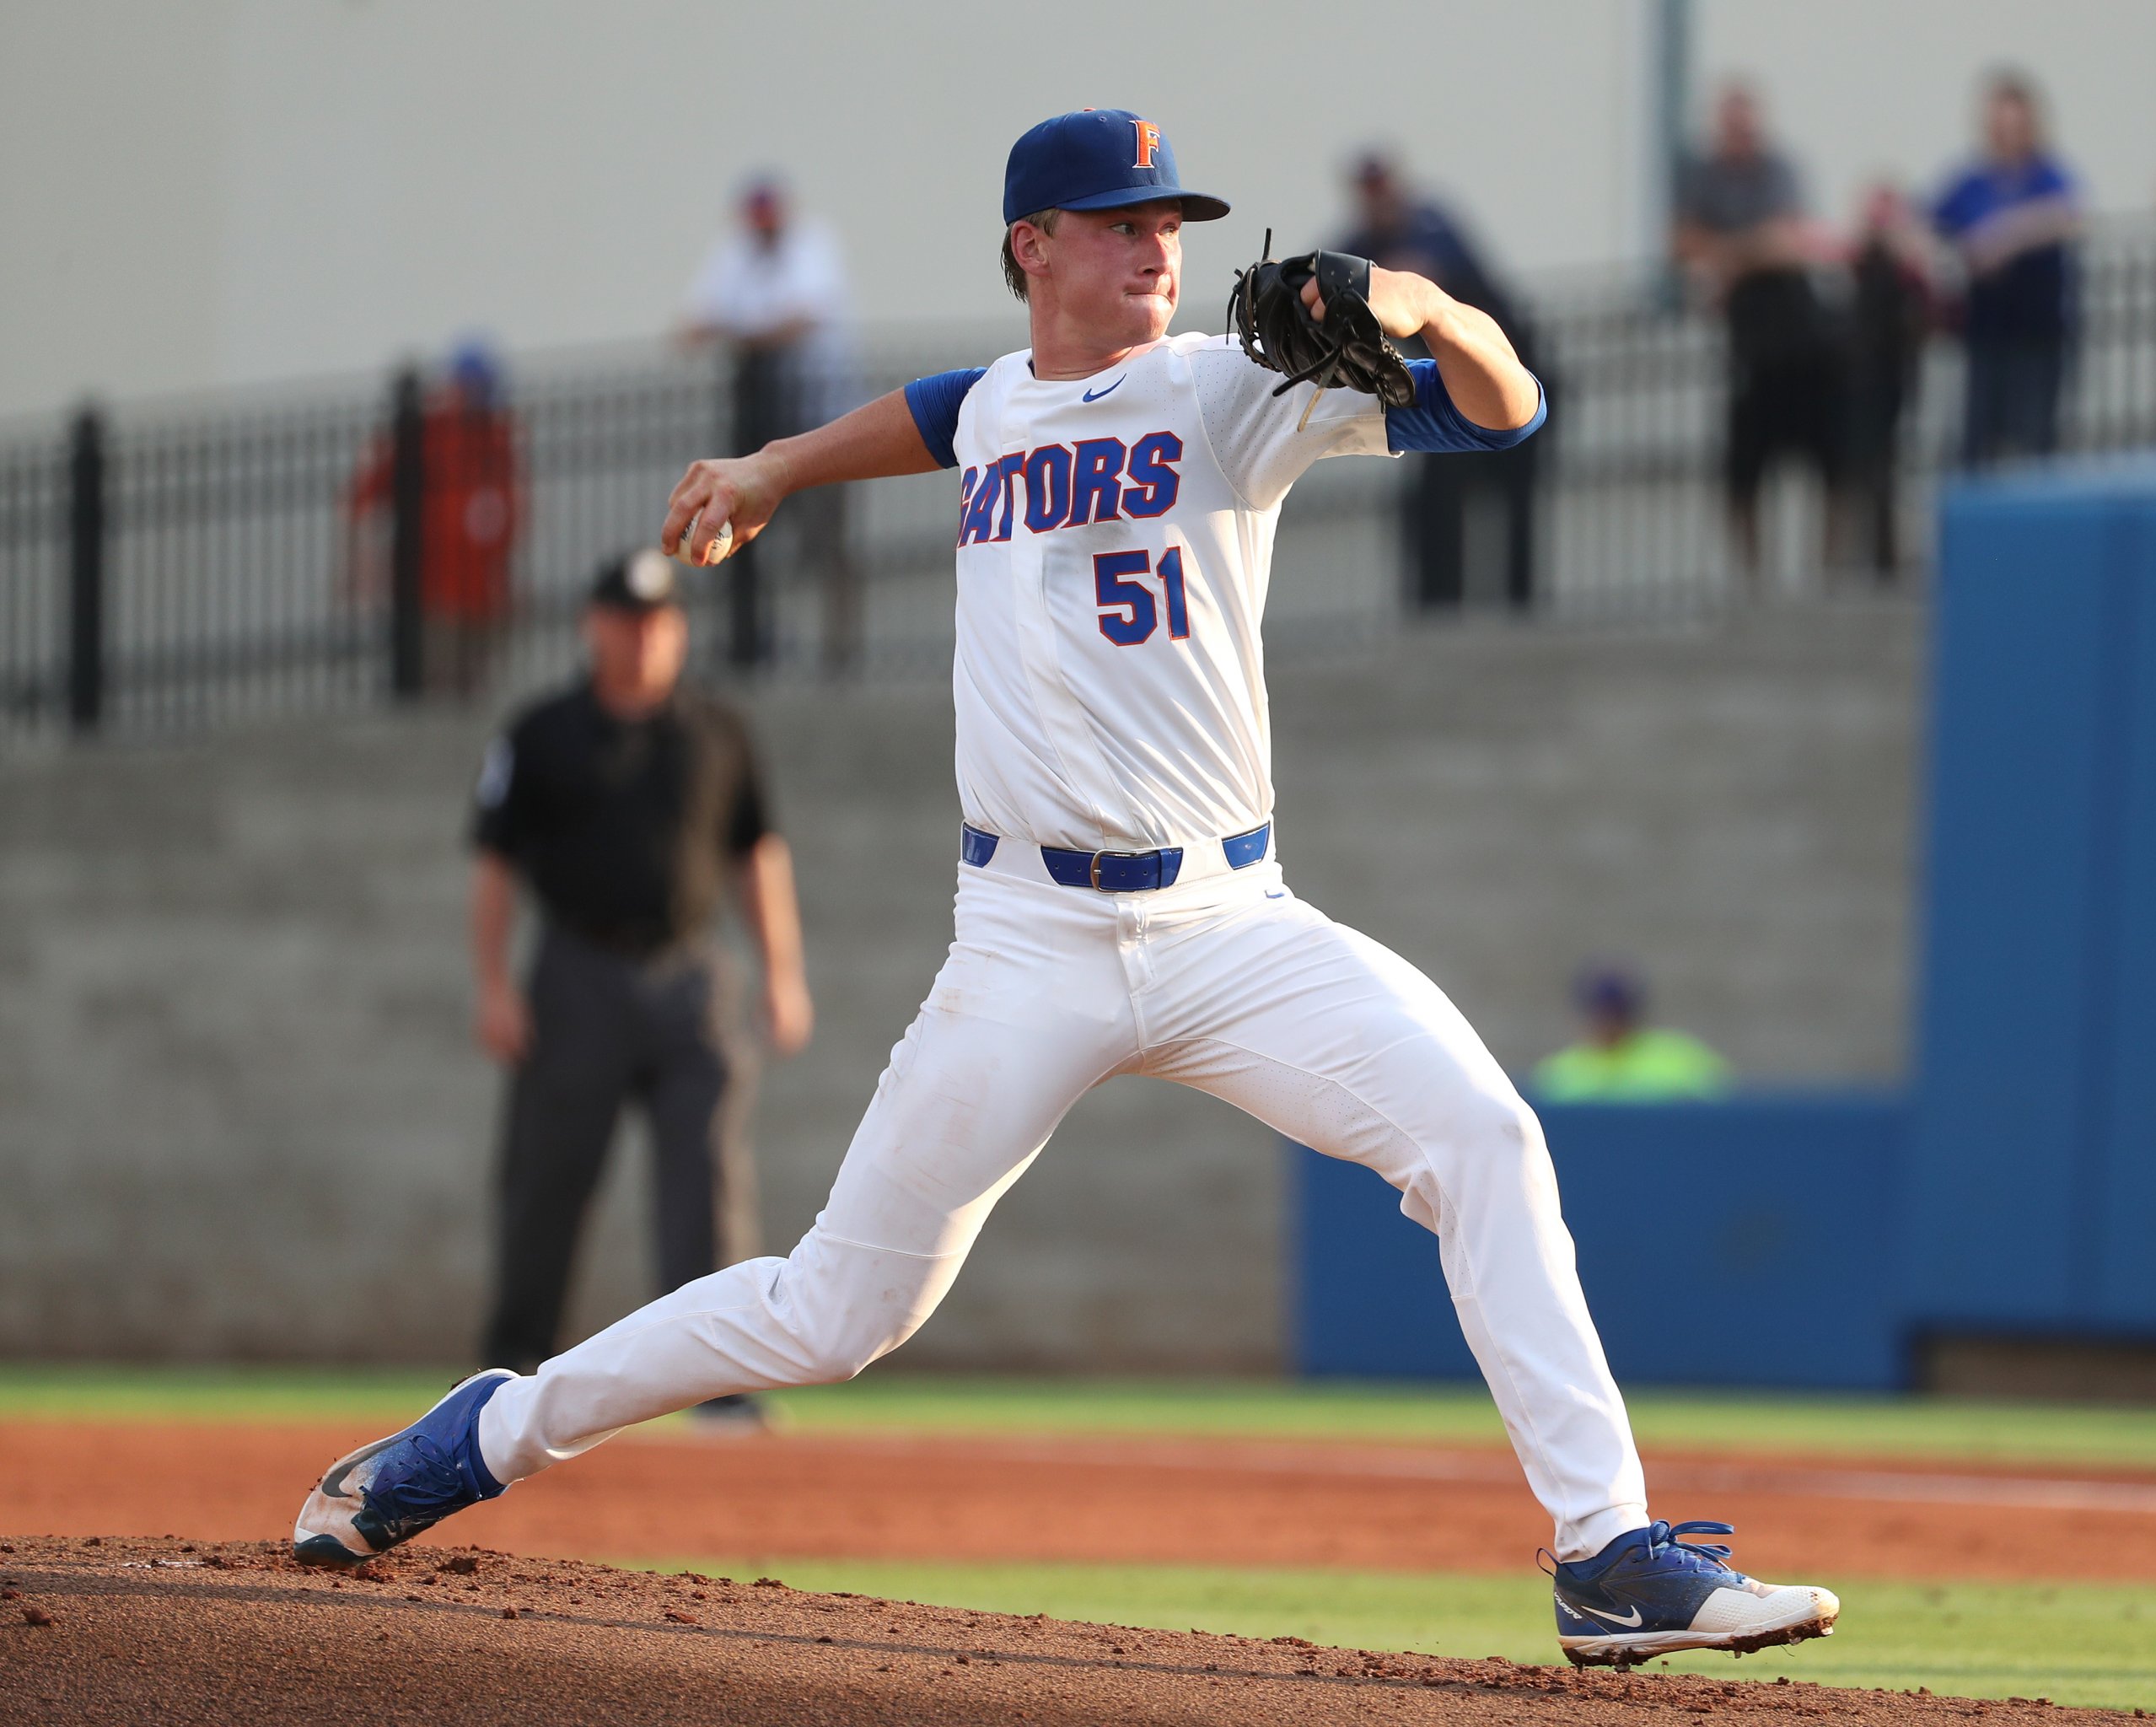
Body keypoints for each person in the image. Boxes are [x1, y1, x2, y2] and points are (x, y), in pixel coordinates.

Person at [294, 108, 1839, 1669]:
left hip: (1233, 925)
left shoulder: (1234, 387)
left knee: (1487, 1133)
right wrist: (775, 463)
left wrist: (1422, 304)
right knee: (834, 1313)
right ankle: (494, 1430)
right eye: (1116, 221)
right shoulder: (994, 407)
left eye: (1167, 221)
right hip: (1027, 941)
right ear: (1033, 245)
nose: (1156, 244)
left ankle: (1606, 1553)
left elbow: (1506, 415)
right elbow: (941, 406)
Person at [466, 549, 815, 1424]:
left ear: (679, 630)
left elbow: (756, 855)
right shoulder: (540, 730)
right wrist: (493, 985)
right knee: (549, 1177)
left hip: (690, 974)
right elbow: (494, 866)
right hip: (576, 969)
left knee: (705, 1179)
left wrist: (783, 974)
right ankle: (507, 1373)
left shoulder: (717, 730)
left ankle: (718, 1386)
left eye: (659, 621)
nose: (643, 636)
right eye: (625, 619)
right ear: (592, 625)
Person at [1335, 152, 1541, 611]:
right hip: (1449, 388)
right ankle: (1439, 608)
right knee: (1436, 499)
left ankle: (1520, 608)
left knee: (1517, 495)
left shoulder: (1431, 221)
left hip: (1514, 368)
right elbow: (1325, 274)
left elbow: (1427, 274)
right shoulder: (1363, 239)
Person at [682, 174, 863, 669]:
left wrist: (738, 330)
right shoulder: (735, 252)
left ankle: (839, 654)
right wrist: (745, 331)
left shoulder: (813, 243)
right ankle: (749, 647)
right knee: (744, 542)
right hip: (763, 420)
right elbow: (693, 326)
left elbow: (801, 318)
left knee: (828, 544)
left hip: (822, 419)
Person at [1674, 82, 1848, 581]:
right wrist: (1749, 253)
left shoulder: (1780, 170)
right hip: (1749, 348)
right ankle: (1754, 579)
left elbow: (1789, 241)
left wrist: (1725, 261)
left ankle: (1825, 572)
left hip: (1802, 342)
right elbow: (1683, 242)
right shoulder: (1703, 176)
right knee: (1743, 470)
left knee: (1828, 461)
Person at [344, 340, 524, 696]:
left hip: (484, 592)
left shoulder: (498, 437)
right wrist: (361, 564)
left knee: (476, 684)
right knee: (436, 685)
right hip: (434, 592)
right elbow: (364, 500)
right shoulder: (425, 434)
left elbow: (512, 511)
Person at [1933, 70, 2082, 467]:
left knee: (2033, 446)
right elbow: (1926, 222)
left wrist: (2002, 238)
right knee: (1977, 447)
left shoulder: (2048, 175)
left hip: (2037, 336)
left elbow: (2066, 214)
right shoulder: (1970, 181)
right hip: (1985, 335)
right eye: (1998, 125)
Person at [1841, 183, 1935, 578]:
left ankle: (1888, 553)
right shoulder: (1857, 260)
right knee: (1864, 467)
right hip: (1861, 378)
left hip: (1894, 376)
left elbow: (1930, 311)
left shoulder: (1909, 266)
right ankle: (1872, 551)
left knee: (1888, 466)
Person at [1530, 966, 1732, 1104]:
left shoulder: (1681, 1060)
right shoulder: (1560, 1072)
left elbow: (1724, 1104)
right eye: (1601, 1014)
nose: (1608, 1023)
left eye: (1615, 1014)